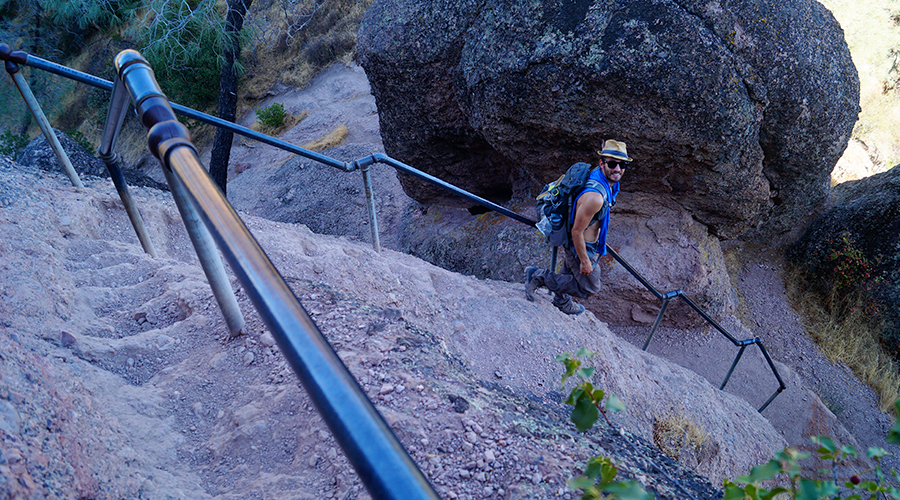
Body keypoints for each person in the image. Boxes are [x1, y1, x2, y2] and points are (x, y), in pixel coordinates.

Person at [524, 139, 632, 315]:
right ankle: (537, 276)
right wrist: (584, 260)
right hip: (579, 244)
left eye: (623, 164)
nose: (618, 169)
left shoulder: (603, 177)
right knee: (589, 288)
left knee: (569, 272)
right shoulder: (595, 198)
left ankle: (561, 301)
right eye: (612, 163)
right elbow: (577, 231)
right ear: (601, 163)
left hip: (584, 241)